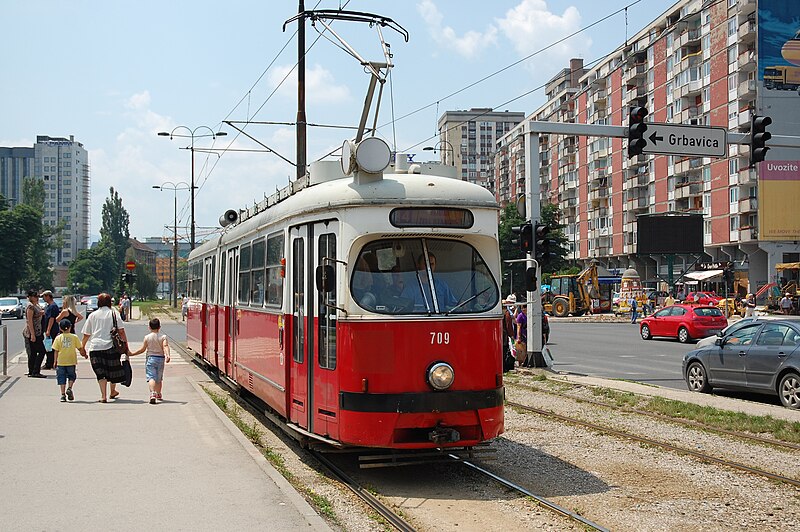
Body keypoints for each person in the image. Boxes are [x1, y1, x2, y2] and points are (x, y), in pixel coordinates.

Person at [81, 293, 128, 402]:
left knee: (100, 373)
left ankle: (103, 396)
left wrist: (82, 347)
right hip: (111, 346)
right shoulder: (114, 313)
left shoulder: (93, 315)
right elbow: (121, 331)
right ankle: (112, 391)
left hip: (95, 347)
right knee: (113, 370)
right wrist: (125, 346)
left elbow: (86, 334)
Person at [129, 318, 171, 404]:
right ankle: (158, 393)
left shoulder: (147, 337)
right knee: (159, 378)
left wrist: (132, 354)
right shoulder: (163, 337)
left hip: (151, 358)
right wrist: (168, 355)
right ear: (159, 327)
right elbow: (165, 346)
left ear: (149, 327)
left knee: (151, 377)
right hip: (160, 359)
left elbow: (142, 349)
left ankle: (152, 393)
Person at [52, 319, 88, 402]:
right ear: (70, 327)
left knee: (61, 377)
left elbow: (56, 351)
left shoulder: (58, 338)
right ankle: (70, 387)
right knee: (71, 376)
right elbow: (80, 348)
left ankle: (62, 394)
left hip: (61, 361)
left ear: (60, 329)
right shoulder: (74, 337)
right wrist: (84, 355)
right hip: (71, 361)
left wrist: (55, 361)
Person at [23, 289, 46, 378]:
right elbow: (29, 320)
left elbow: (36, 316)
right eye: (35, 296)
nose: (37, 298)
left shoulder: (36, 305)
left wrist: (40, 314)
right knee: (41, 351)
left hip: (38, 331)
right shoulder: (30, 307)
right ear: (31, 297)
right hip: (33, 332)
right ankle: (35, 371)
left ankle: (31, 370)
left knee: (33, 353)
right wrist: (32, 334)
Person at [41, 290, 60, 370]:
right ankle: (49, 362)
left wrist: (48, 330)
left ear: (48, 296)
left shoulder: (53, 306)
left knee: (50, 347)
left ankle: (50, 363)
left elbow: (52, 318)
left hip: (52, 329)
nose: (43, 298)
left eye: (44, 296)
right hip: (49, 329)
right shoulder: (48, 306)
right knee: (48, 346)